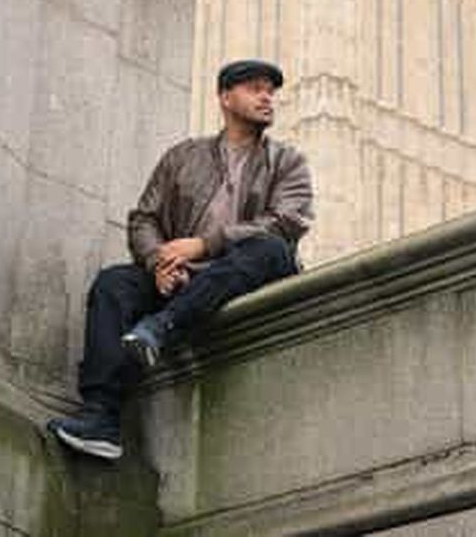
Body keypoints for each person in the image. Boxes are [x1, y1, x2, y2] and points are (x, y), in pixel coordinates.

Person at [48, 59, 312, 460]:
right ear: (226, 97)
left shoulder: (287, 161)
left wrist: (203, 246)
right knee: (113, 283)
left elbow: (287, 223)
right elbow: (144, 219)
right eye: (255, 88)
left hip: (248, 273)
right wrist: (159, 263)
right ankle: (101, 417)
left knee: (269, 249)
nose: (267, 97)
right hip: (184, 280)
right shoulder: (183, 157)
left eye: (270, 91)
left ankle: (160, 328)